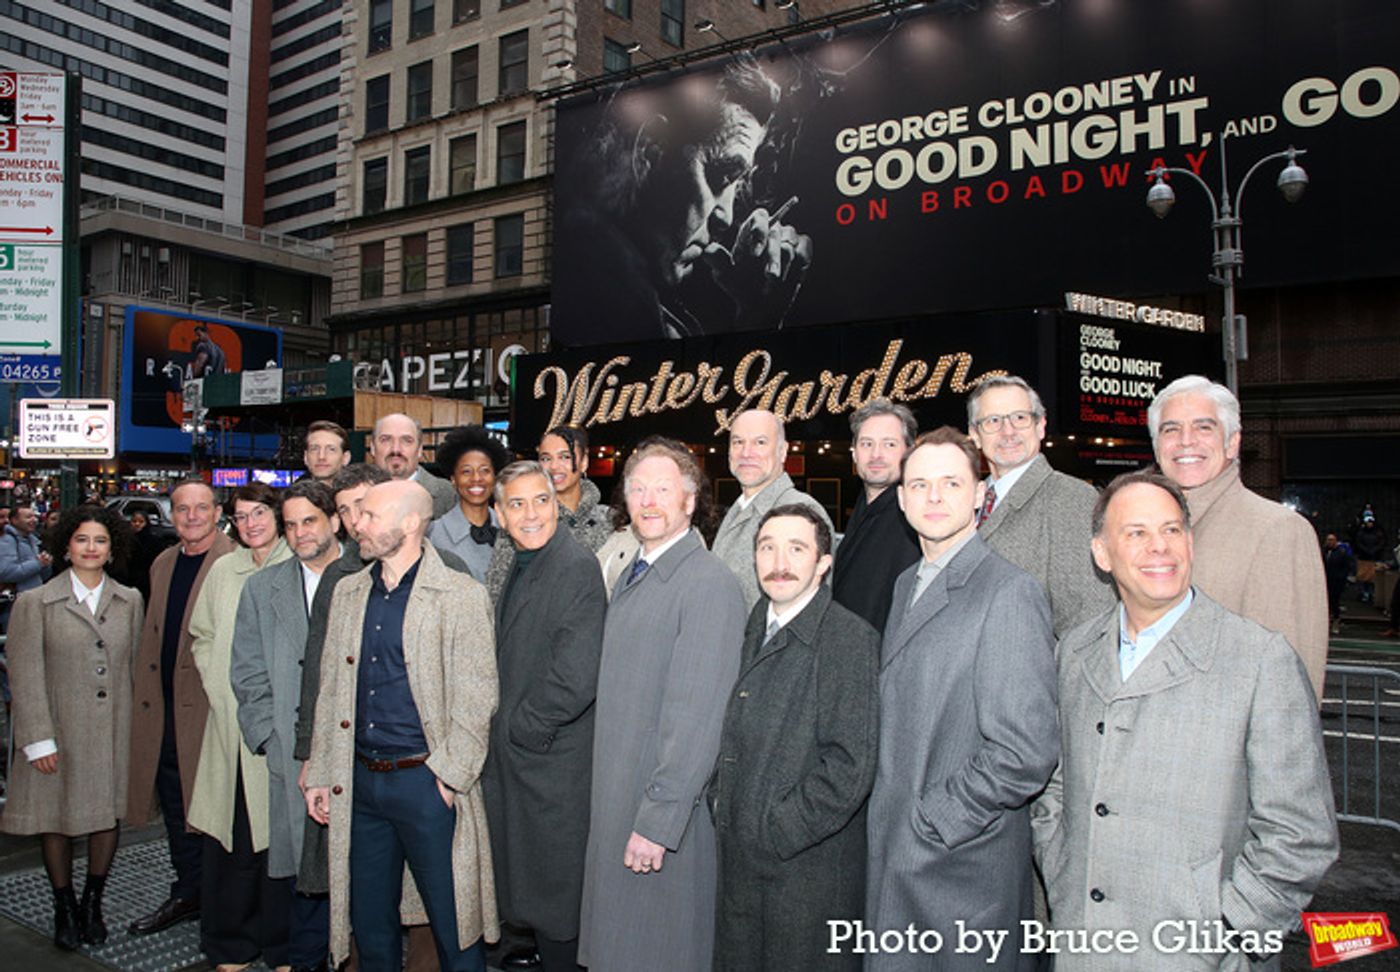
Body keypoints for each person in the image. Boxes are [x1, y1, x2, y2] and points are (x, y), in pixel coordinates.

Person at [1032, 471, 1339, 968]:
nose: (1160, 548)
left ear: (1190, 543)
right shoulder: (1074, 651)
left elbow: (1301, 833)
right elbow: (1054, 783)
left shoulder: (1260, 659)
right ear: (1102, 554)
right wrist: (1062, 867)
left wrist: (1229, 928)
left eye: (1172, 530)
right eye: (1137, 533)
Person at [864, 428, 1058, 971]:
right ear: (900, 498)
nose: (933, 496)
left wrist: (935, 822)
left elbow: (1025, 751)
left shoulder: (1008, 591)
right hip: (901, 856)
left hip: (958, 870)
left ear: (980, 494)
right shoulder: (908, 582)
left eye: (951, 482)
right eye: (919, 483)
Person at [305, 481, 499, 972]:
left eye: (370, 515)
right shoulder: (349, 591)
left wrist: (449, 778)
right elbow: (331, 689)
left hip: (426, 785)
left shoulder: (459, 595)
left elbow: (478, 697)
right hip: (361, 784)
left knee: (457, 930)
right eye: (357, 515)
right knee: (371, 929)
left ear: (410, 523)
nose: (357, 524)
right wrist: (326, 768)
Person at [578, 438, 747, 972]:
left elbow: (696, 718)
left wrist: (658, 821)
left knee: (657, 950)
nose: (649, 501)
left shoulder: (707, 585)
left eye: (664, 489)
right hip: (619, 802)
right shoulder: (637, 569)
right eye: (638, 489)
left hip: (660, 822)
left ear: (691, 501)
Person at [710, 504, 879, 972]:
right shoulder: (753, 625)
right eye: (767, 547)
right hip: (745, 870)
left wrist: (773, 830)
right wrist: (719, 801)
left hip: (806, 879)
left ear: (824, 563)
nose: (779, 561)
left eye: (796, 548)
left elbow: (850, 768)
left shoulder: (848, 639)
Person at [553, 55, 811, 340]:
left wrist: (756, 314)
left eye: (735, 188)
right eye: (720, 176)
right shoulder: (614, 301)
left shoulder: (639, 298)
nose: (725, 216)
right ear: (650, 148)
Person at [482, 461, 606, 972]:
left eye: (541, 501)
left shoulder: (573, 564)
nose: (531, 514)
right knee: (533, 898)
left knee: (559, 910)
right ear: (498, 514)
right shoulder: (519, 559)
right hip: (525, 763)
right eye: (517, 503)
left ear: (558, 506)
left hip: (549, 763)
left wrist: (519, 729)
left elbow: (576, 676)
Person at [1, 506, 143, 949]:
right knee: (56, 819)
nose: (90, 548)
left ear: (112, 548)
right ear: (66, 545)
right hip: (57, 731)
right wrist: (37, 738)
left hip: (112, 733)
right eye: (82, 539)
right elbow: (23, 674)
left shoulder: (130, 600)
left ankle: (92, 902)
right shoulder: (34, 602)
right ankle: (63, 905)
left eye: (100, 540)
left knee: (105, 818)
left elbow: (135, 669)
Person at [1149, 375, 1329, 699]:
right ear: (1156, 445)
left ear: (1232, 443)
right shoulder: (1140, 532)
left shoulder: (1279, 531)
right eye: (1171, 429)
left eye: (1204, 427)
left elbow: (1289, 689)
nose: (1185, 440)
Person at [230, 479, 342, 970]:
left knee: (358, 876)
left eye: (309, 521)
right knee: (305, 877)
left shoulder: (365, 577)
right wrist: (269, 737)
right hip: (289, 752)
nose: (299, 534)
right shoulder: (263, 587)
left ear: (335, 521)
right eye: (291, 524)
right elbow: (247, 668)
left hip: (354, 752)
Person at [187, 482, 295, 970]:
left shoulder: (295, 566)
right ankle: (231, 943)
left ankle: (281, 945)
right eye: (242, 516)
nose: (251, 523)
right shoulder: (223, 570)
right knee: (232, 841)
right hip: (229, 727)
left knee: (280, 844)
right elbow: (203, 635)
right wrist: (220, 686)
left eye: (260, 513)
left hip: (281, 727)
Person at [126, 479, 237, 937]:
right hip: (167, 709)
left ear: (217, 512)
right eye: (182, 509)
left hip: (213, 713)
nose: (191, 517)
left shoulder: (234, 562)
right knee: (176, 805)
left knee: (214, 810)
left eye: (201, 508)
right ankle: (187, 890)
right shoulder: (163, 562)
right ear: (171, 515)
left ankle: (221, 903)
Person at [968, 375, 1115, 636]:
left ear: (1041, 426)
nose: (1008, 431)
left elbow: (1088, 623)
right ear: (975, 435)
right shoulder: (967, 500)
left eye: (1020, 418)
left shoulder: (1072, 499)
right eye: (993, 421)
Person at [711, 409, 833, 609]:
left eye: (760, 442)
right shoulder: (739, 507)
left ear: (783, 451)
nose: (746, 453)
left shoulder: (801, 512)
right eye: (738, 442)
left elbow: (809, 614)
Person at [485, 426, 612, 602]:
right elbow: (497, 592)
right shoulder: (525, 523)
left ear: (584, 462)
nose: (554, 466)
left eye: (565, 457)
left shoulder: (610, 519)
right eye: (546, 458)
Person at [830, 398, 921, 631]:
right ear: (854, 453)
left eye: (889, 444)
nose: (876, 454)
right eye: (866, 444)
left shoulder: (915, 520)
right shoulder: (864, 509)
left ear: (909, 451)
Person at [428, 426, 510, 583]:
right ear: (453, 479)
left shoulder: (511, 528)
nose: (476, 478)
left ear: (494, 477)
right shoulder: (433, 535)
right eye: (466, 471)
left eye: (485, 470)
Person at [370, 411, 456, 519]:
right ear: (373, 448)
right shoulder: (356, 495)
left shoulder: (449, 495)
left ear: (420, 449)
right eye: (386, 440)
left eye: (406, 441)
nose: (396, 449)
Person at [0, 501, 53, 632]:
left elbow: (42, 576)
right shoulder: (7, 542)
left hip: (33, 603)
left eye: (34, 516)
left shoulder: (34, 541)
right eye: (28, 517)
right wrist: (38, 563)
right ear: (14, 520)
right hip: (15, 605)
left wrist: (46, 565)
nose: (34, 520)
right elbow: (6, 572)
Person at [1351, 508, 1388, 605]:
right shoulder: (1361, 532)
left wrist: (1374, 550)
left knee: (1372, 578)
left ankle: (1371, 594)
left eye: (1371, 522)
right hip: (1363, 557)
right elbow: (1358, 542)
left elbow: (1381, 542)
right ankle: (1364, 593)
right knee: (1363, 577)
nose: (1369, 524)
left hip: (1374, 557)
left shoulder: (1378, 532)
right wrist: (1366, 550)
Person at [1323, 533, 1353, 635]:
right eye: (1328, 540)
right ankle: (1327, 622)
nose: (1329, 542)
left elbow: (1346, 567)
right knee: (1327, 602)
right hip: (1327, 581)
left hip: (1336, 582)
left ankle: (1335, 621)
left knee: (1335, 602)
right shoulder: (1325, 552)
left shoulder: (1341, 553)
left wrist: (1341, 578)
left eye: (1332, 540)